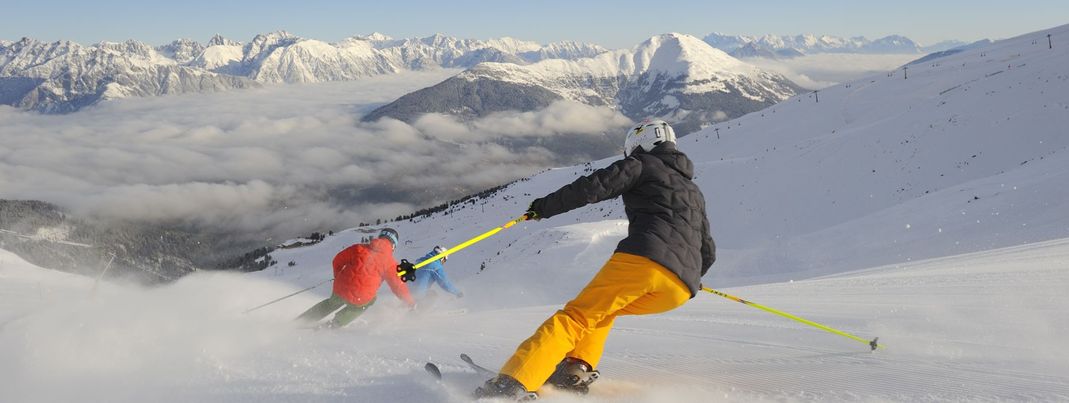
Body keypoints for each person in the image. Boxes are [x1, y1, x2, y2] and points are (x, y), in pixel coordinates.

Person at [475, 119, 715, 399]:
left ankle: (511, 385)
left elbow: (592, 187)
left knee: (574, 318)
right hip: (678, 289)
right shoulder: (693, 191)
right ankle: (574, 370)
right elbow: (707, 249)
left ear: (640, 142)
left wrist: (542, 208)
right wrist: (690, 275)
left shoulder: (642, 164)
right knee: (603, 311)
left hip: (644, 262)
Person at [296, 228, 415, 328]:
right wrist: (410, 302)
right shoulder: (390, 263)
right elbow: (398, 287)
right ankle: (336, 323)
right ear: (393, 246)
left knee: (331, 303)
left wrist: (337, 275)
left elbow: (337, 260)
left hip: (340, 288)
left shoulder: (358, 248)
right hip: (361, 297)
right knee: (367, 302)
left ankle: (302, 321)